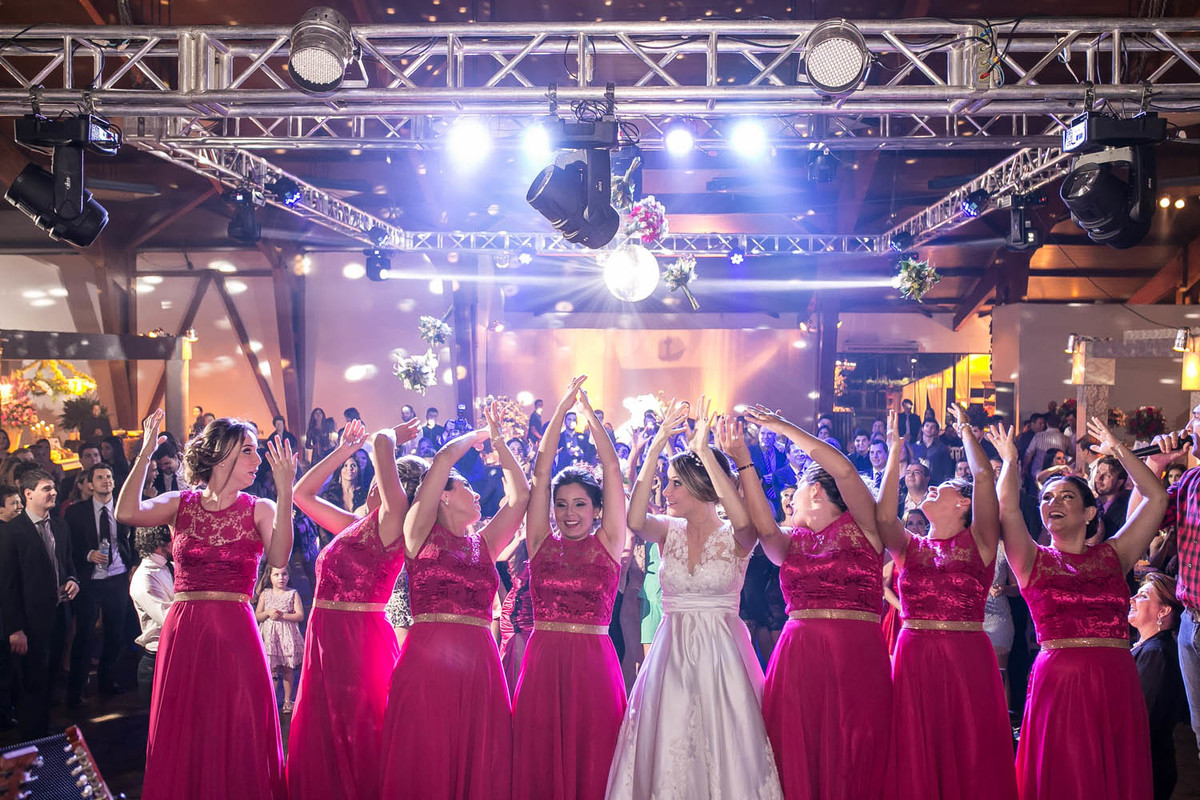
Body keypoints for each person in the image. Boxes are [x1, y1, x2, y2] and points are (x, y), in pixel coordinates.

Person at [607, 398, 781, 799]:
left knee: (726, 753)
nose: (666, 491)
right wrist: (656, 444)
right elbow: (634, 519)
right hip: (671, 657)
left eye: (676, 483)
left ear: (703, 485)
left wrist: (703, 449)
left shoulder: (738, 536)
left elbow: (744, 521)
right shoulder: (667, 530)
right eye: (667, 482)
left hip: (723, 659)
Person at [115, 410, 294, 800]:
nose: (258, 459)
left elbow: (280, 557)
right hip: (186, 633)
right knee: (187, 727)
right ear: (222, 454)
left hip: (236, 634)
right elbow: (125, 512)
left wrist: (285, 492)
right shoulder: (181, 503)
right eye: (248, 450)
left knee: (238, 723)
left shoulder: (260, 507)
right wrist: (146, 452)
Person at [728, 405, 889, 800]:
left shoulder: (865, 527)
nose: (790, 501)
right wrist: (744, 461)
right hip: (798, 658)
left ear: (814, 489)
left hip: (855, 659)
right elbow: (765, 529)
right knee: (794, 752)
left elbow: (845, 472)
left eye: (796, 490)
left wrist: (782, 427)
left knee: (856, 752)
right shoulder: (790, 542)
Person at [994, 417, 1159, 800]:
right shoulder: (1031, 560)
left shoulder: (1115, 554)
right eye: (1047, 498)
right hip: (1060, 684)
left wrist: (1118, 450)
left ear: (1089, 513)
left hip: (1115, 680)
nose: (1052, 502)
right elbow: (1007, 508)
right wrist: (1010, 462)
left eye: (1066, 496)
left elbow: (1156, 498)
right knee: (1067, 774)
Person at [380, 403, 529, 799]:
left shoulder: (485, 544)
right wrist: (481, 433)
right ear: (443, 495)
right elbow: (444, 457)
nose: (478, 492)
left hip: (481, 666)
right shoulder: (417, 534)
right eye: (466, 486)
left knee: (481, 760)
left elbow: (520, 498)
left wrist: (501, 443)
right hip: (428, 666)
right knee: (429, 761)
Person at [877, 407, 1016, 800]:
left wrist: (966, 430)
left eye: (946, 488)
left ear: (964, 505)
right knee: (913, 745)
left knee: (966, 747)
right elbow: (884, 518)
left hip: (964, 657)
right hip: (913, 655)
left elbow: (983, 477)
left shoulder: (980, 543)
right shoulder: (909, 546)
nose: (933, 487)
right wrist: (894, 453)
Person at [288, 417, 421, 800]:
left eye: (383, 481)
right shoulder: (355, 525)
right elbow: (301, 494)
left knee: (357, 730)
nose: (374, 485)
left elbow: (381, 444)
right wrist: (344, 450)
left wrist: (389, 437)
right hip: (326, 637)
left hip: (357, 639)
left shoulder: (393, 521)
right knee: (327, 730)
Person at [513, 377, 627, 800]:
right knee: (540, 758)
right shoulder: (540, 542)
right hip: (543, 664)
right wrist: (559, 411)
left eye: (580, 504)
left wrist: (590, 416)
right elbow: (540, 473)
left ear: (597, 509)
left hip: (594, 665)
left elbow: (612, 470)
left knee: (594, 757)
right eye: (561, 505)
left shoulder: (608, 543)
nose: (569, 513)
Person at [0, 468, 79, 738]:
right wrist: (15, 629)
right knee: (32, 682)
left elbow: (67, 564)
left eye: (53, 487)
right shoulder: (11, 532)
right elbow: (7, 586)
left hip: (58, 614)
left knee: (51, 677)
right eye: (46, 488)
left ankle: (43, 729)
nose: (54, 492)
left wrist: (73, 580)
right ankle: (31, 738)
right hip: (29, 623)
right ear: (28, 494)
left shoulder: (60, 525)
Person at [65, 462, 133, 707]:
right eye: (100, 477)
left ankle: (107, 680)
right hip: (90, 580)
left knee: (116, 633)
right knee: (84, 634)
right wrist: (88, 554)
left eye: (109, 476)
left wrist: (133, 564)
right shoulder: (76, 512)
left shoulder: (123, 507)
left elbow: (132, 539)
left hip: (117, 576)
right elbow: (68, 547)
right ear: (90, 484)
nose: (106, 481)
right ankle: (75, 689)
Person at [1129, 572, 1187, 800]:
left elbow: (1142, 720)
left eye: (1143, 596)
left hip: (1146, 773)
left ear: (1163, 611)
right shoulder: (1148, 647)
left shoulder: (1157, 654)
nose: (1132, 599)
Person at [128, 525, 174, 704]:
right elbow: (169, 619)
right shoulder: (144, 578)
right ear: (159, 542)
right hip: (157, 661)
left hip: (174, 656)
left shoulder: (169, 567)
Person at [255, 565, 305, 714]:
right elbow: (257, 615)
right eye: (276, 575)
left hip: (286, 637)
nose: (281, 578)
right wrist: (268, 613)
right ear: (270, 577)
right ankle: (272, 700)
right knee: (273, 669)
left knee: (287, 669)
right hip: (270, 638)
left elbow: (300, 615)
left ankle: (287, 701)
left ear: (288, 576)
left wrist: (284, 615)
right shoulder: (265, 594)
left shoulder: (292, 594)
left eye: (284, 574)